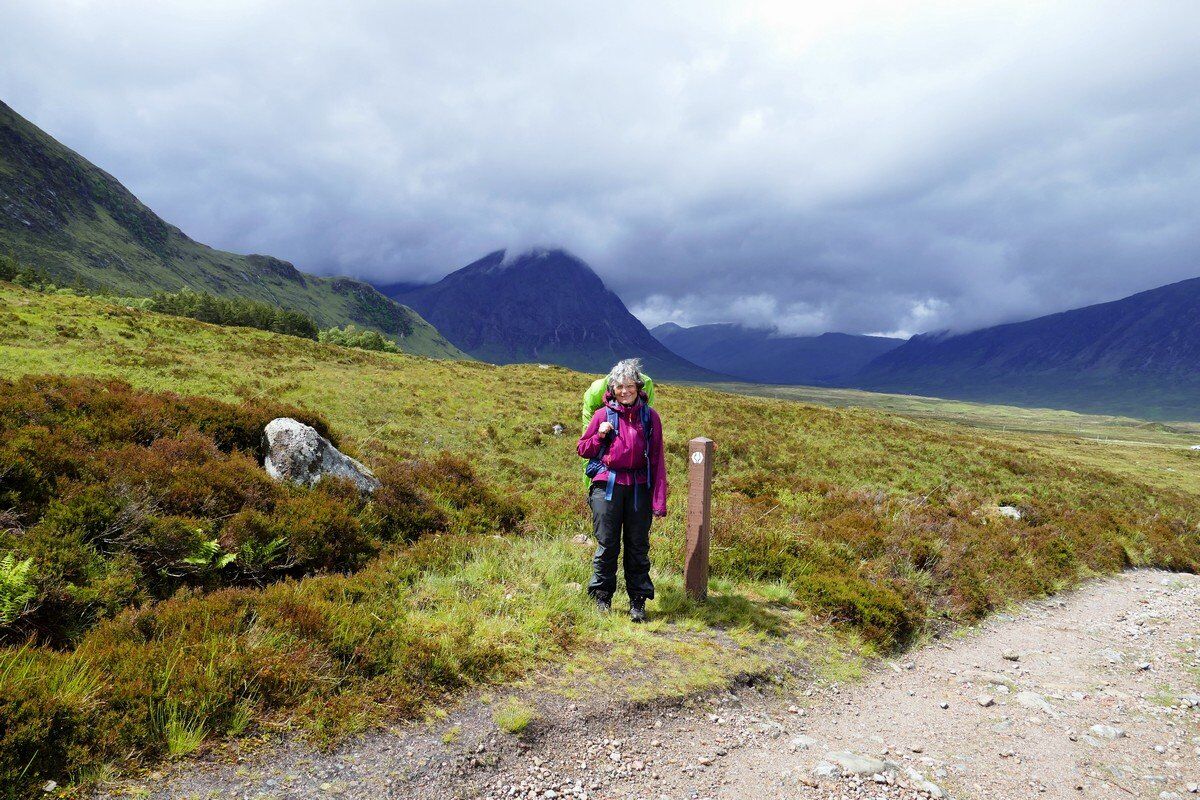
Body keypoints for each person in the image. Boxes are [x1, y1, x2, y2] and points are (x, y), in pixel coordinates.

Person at [577, 358, 668, 622]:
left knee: (638, 546)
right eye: (619, 386)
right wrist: (600, 435)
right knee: (607, 545)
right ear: (612, 389)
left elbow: (657, 459)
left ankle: (637, 602)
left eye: (630, 386)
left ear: (639, 387)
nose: (625, 391)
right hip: (606, 487)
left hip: (639, 488)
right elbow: (583, 449)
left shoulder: (650, 418)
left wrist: (658, 499)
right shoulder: (601, 415)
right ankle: (601, 598)